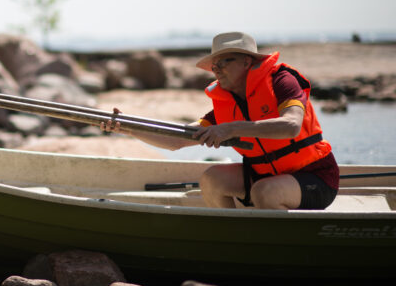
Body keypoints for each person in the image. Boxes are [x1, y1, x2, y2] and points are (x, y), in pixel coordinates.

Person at [102, 31, 339, 210]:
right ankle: (235, 238)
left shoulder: (281, 81)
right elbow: (178, 139)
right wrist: (127, 128)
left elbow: (292, 126)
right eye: (214, 65)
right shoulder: (227, 105)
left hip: (315, 176)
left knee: (265, 192)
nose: (216, 69)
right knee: (212, 179)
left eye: (225, 61)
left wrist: (232, 129)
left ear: (247, 61)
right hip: (265, 176)